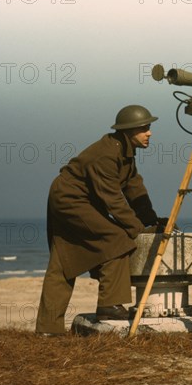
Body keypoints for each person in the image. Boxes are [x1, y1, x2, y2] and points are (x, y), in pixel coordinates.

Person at [36, 105, 167, 336]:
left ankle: (48, 330)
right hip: (70, 199)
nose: (150, 133)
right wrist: (138, 230)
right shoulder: (107, 155)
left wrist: (151, 219)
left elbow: (132, 186)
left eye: (149, 127)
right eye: (145, 128)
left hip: (79, 198)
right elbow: (113, 200)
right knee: (117, 239)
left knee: (62, 263)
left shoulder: (123, 150)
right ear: (129, 130)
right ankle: (109, 306)